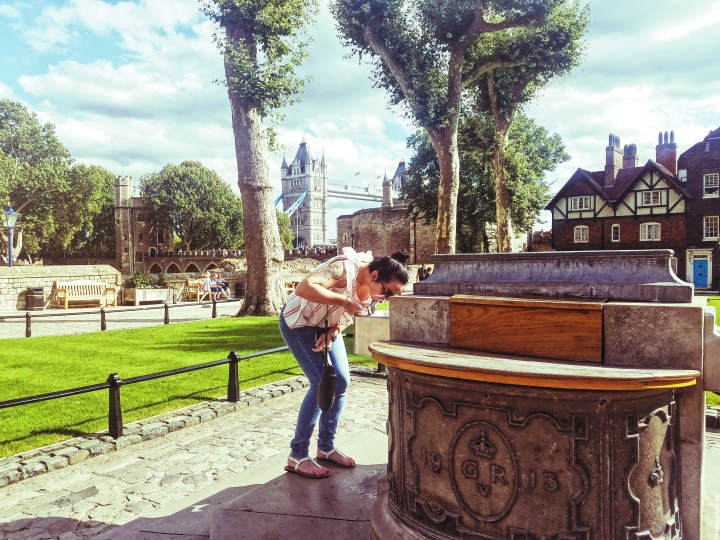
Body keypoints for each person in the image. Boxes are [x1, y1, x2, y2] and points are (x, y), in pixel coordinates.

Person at [280, 247, 409, 479]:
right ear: (375, 276)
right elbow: (305, 287)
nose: (385, 299)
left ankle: (325, 447)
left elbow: (348, 316)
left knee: (341, 382)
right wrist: (344, 300)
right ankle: (297, 455)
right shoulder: (343, 267)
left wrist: (334, 329)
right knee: (320, 382)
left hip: (327, 325)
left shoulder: (373, 292)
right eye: (388, 293)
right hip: (298, 322)